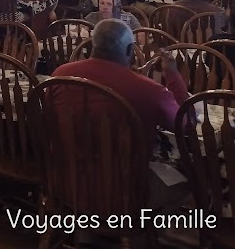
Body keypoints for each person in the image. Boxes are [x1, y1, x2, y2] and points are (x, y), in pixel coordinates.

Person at [51, 19, 191, 214]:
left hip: (64, 182)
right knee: (190, 181)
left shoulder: (61, 74)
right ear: (129, 51)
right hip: (124, 193)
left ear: (94, 44)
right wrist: (173, 74)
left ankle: (89, 232)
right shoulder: (148, 90)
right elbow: (184, 125)